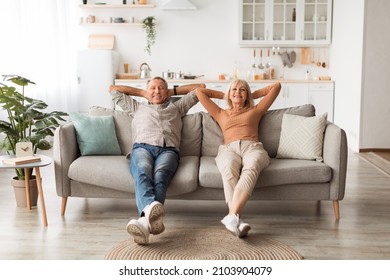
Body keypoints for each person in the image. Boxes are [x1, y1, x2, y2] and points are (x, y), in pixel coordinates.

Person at [109, 77, 205, 245]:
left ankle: (144, 224)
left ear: (166, 91)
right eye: (153, 88)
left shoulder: (176, 107)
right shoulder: (137, 107)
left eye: (161, 88)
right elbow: (112, 89)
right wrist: (142, 92)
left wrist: (173, 91)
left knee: (161, 177)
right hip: (142, 149)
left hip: (168, 150)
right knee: (143, 171)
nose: (157, 91)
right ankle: (148, 219)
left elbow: (200, 88)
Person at [195, 80, 281, 238]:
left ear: (246, 94)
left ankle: (232, 216)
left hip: (252, 147)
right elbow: (199, 92)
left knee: (253, 164)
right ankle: (235, 219)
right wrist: (227, 94)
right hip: (229, 149)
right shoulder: (221, 113)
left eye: (242, 90)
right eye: (234, 89)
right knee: (228, 167)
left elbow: (276, 86)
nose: (238, 92)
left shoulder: (256, 110)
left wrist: (250, 95)